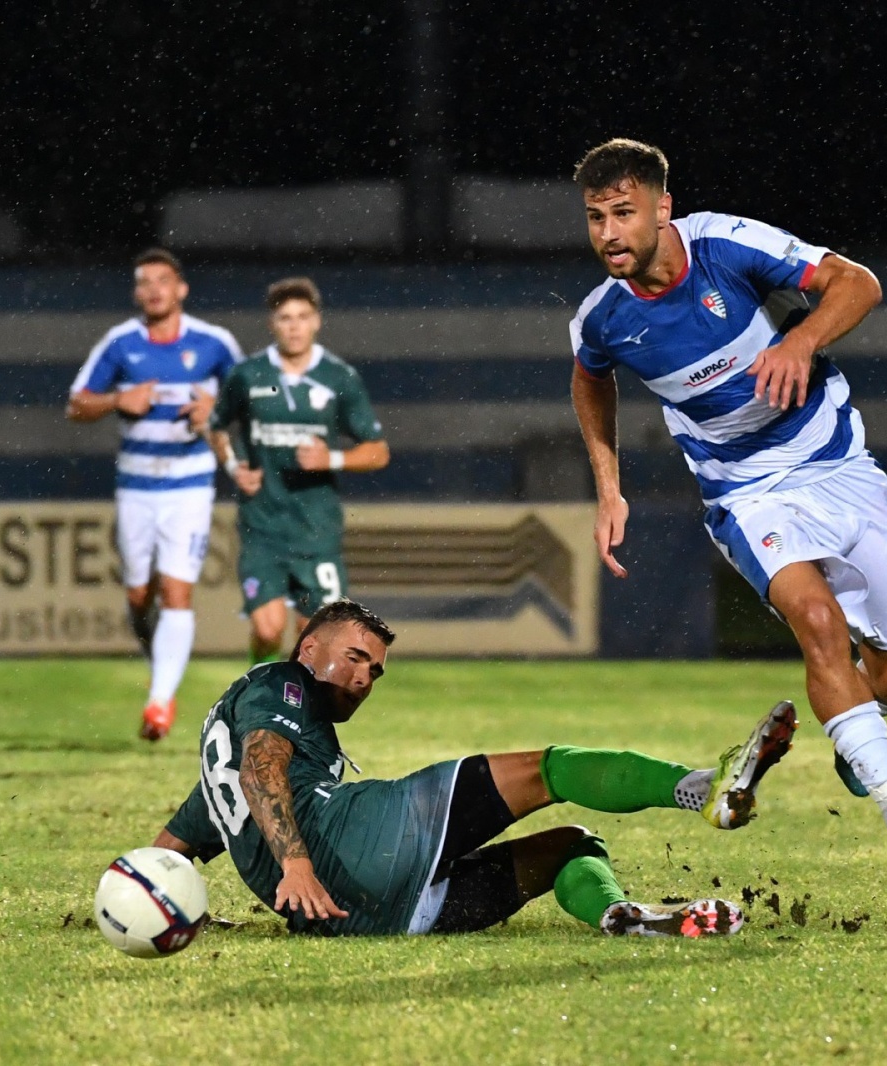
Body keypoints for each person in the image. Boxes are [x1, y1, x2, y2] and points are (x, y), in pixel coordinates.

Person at [565, 137, 887, 877]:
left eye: (623, 213)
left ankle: (856, 728)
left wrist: (799, 342)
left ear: (662, 208)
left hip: (838, 467)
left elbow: (857, 283)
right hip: (745, 495)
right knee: (819, 623)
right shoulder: (603, 317)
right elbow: (590, 379)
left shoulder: (725, 245)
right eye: (595, 217)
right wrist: (608, 486)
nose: (608, 233)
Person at [151, 600, 798, 938]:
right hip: (357, 844)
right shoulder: (280, 685)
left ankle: (618, 915)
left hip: (372, 920)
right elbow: (264, 765)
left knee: (573, 847)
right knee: (550, 769)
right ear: (306, 648)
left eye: (374, 670)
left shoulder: (220, 754)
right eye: (352, 657)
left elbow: (171, 848)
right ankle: (703, 790)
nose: (364, 678)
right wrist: (296, 864)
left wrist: (158, 904)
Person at [67, 248, 243, 742]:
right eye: (144, 282)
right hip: (136, 486)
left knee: (176, 592)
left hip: (189, 484)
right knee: (138, 594)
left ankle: (159, 702)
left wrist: (217, 406)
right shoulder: (121, 343)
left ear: (181, 288)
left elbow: (256, 396)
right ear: (136, 292)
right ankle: (159, 668)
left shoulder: (214, 343)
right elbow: (77, 404)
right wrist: (118, 399)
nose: (154, 290)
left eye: (162, 281)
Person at [207, 277, 389, 665]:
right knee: (268, 630)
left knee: (312, 643)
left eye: (302, 317)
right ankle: (256, 682)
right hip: (263, 528)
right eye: (285, 318)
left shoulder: (339, 378)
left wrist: (333, 459)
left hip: (316, 531)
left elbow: (378, 451)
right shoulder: (248, 375)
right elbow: (215, 425)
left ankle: (287, 717)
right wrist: (233, 464)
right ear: (273, 323)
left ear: (317, 321)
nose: (294, 326)